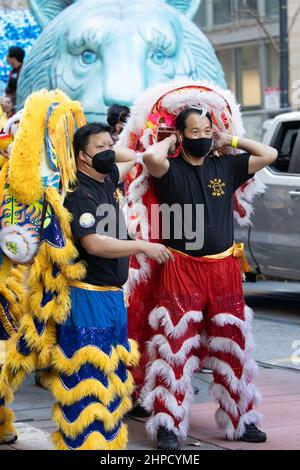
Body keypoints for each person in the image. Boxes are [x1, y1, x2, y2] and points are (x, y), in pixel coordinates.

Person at [140, 107, 278, 449]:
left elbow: (269, 154)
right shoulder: (169, 169)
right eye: (194, 132)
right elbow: (149, 157)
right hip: (181, 268)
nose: (201, 137)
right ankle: (168, 426)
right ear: (181, 135)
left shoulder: (226, 164)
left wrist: (226, 139)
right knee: (174, 349)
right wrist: (169, 139)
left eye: (206, 131)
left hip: (224, 270)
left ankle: (242, 420)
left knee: (234, 346)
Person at [53, 122, 173, 450]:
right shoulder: (79, 192)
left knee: (110, 379)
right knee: (87, 381)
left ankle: (104, 446)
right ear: (81, 156)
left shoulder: (105, 179)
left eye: (110, 145)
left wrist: (108, 148)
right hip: (86, 298)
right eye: (100, 148)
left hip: (111, 297)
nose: (108, 152)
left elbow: (132, 158)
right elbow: (94, 244)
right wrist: (141, 246)